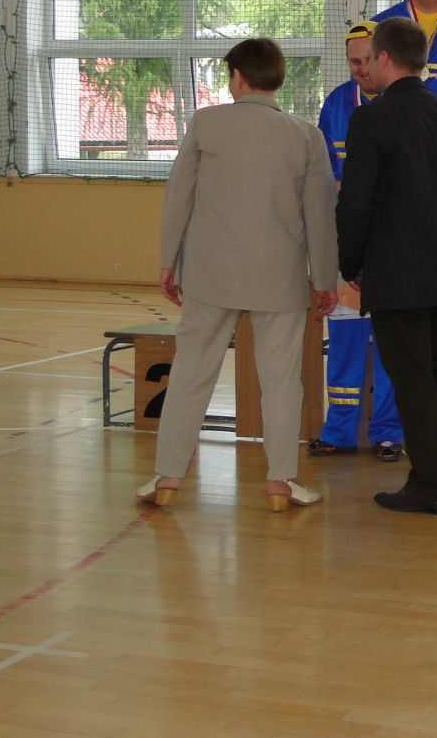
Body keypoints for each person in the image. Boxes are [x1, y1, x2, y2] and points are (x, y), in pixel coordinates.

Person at [137, 38, 338, 512]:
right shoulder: (306, 136)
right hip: (281, 277)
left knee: (191, 373)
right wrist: (325, 279)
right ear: (276, 79)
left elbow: (179, 196)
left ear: (238, 77)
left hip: (210, 274)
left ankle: (168, 477)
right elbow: (320, 217)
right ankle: (280, 481)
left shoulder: (205, 124)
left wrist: (168, 261)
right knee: (282, 380)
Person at [337, 17, 437, 515]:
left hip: (398, 272)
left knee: (412, 377)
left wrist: (351, 261)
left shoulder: (371, 120)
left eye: (369, 58)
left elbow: (355, 202)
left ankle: (428, 484)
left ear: (383, 58)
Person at [311, 21, 402, 462]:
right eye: (354, 62)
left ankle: (387, 432)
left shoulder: (404, 103)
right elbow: (322, 171)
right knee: (345, 340)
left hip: (392, 246)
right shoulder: (335, 104)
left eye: (368, 60)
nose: (362, 69)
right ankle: (339, 429)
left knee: (389, 345)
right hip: (347, 243)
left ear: (384, 58)